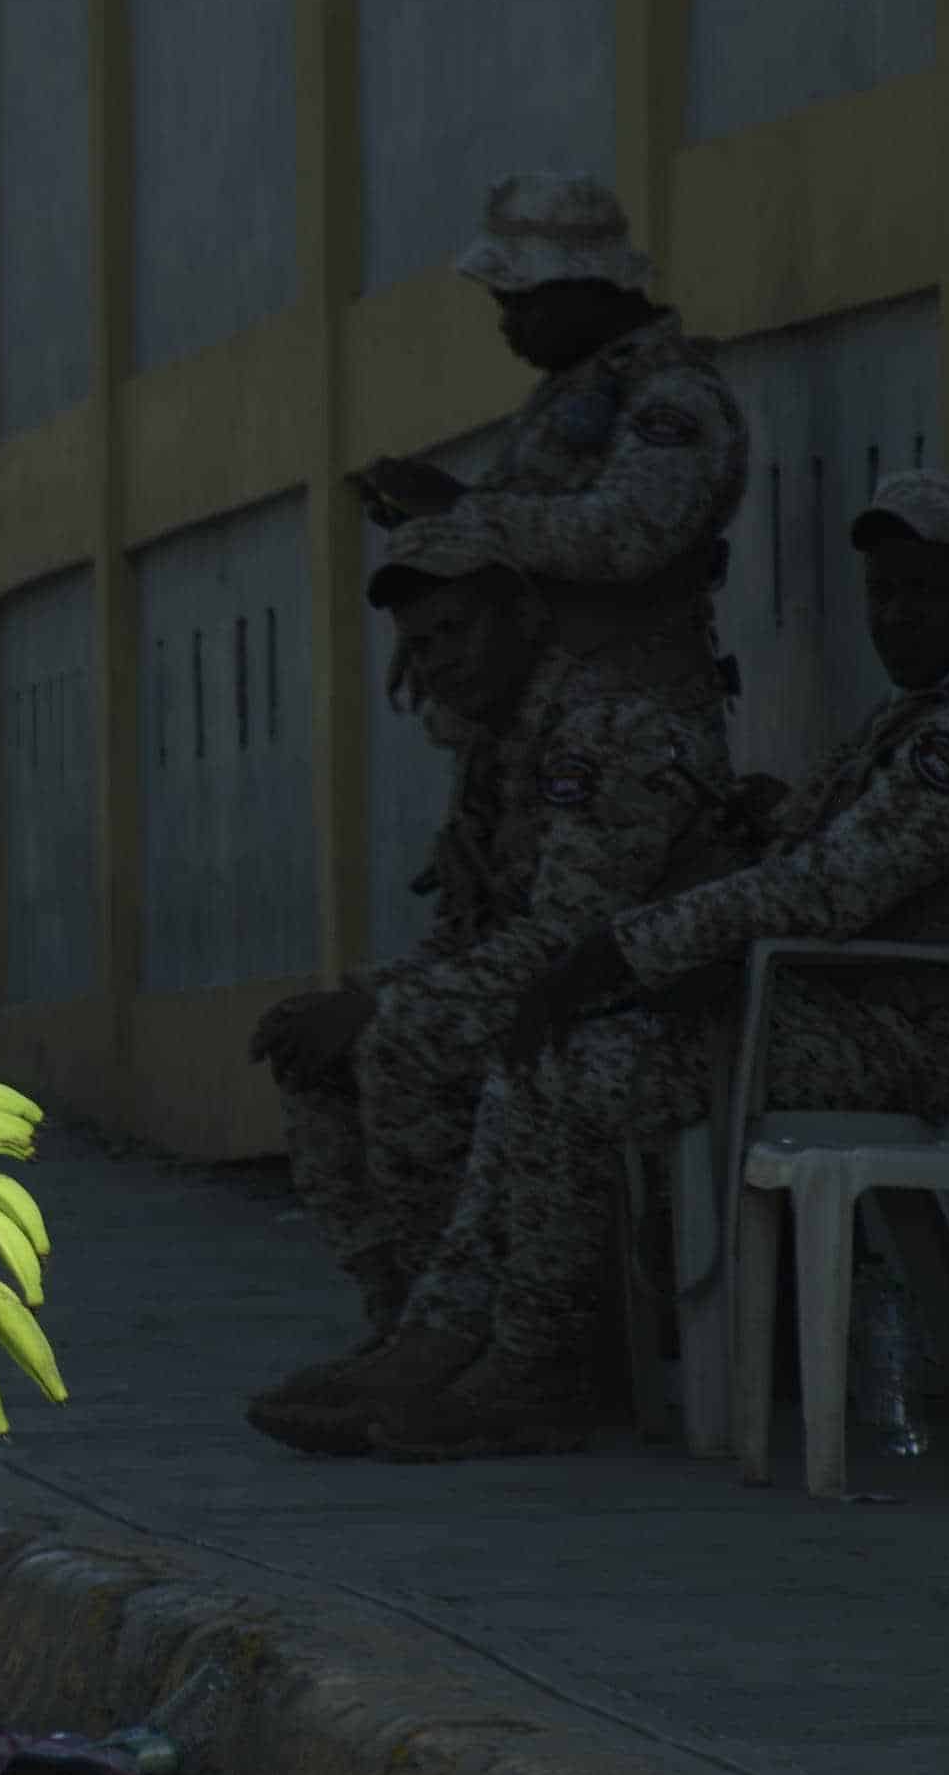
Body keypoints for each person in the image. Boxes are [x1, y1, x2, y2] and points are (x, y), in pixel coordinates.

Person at [331, 471, 949, 1463]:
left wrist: (628, 947)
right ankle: (449, 1331)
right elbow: (823, 848)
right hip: (830, 1002)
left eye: (921, 593)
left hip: (894, 1036)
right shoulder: (943, 705)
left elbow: (828, 889)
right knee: (545, 1045)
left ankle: (535, 1366)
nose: (893, 619)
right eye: (881, 594)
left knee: (571, 1063)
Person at [243, 523, 750, 1452]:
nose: (437, 662)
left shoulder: (603, 729)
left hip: (647, 1000)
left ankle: (498, 1347)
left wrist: (384, 1004)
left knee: (403, 1037)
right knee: (311, 1043)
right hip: (557, 988)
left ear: (522, 615)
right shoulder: (500, 745)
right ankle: (407, 1322)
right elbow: (470, 934)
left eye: (454, 631)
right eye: (420, 645)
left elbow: (568, 939)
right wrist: (362, 995)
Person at [353, 174, 748, 762]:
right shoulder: (570, 394)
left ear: (584, 286)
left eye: (520, 303)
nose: (507, 325)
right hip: (546, 734)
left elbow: (626, 536)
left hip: (631, 739)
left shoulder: (673, 398)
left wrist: (461, 509)